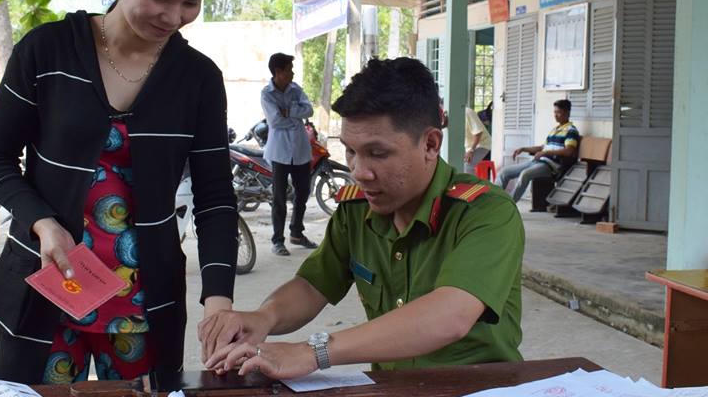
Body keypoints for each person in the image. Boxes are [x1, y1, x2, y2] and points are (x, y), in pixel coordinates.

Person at [0, 0, 238, 386]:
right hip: (45, 290)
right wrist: (43, 223)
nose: (174, 17)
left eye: (191, 3)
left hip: (142, 303)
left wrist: (218, 296)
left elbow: (215, 196)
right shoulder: (46, 51)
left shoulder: (198, 79)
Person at [198, 57, 524, 380]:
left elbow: (450, 315)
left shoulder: (485, 212)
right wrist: (263, 318)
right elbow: (313, 286)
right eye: (350, 152)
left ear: (430, 144)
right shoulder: (356, 211)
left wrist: (313, 352)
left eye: (377, 153)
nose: (359, 172)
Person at [261, 52, 317, 256]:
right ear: (278, 72)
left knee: (302, 192)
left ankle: (297, 232)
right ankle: (278, 240)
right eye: (289, 69)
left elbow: (309, 110)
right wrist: (296, 114)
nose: (292, 73)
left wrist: (289, 111)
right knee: (279, 197)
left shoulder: (296, 90)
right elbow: (275, 121)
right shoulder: (267, 94)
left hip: (300, 149)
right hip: (280, 152)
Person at [498, 100, 579, 203]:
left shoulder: (571, 130)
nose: (555, 115)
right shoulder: (555, 130)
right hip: (536, 162)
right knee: (504, 172)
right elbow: (542, 147)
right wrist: (524, 149)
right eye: (554, 112)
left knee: (525, 174)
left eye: (558, 112)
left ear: (567, 113)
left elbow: (569, 151)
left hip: (550, 166)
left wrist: (546, 153)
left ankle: (509, 205)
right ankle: (496, 201)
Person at [463, 105, 490, 174]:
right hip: (469, 147)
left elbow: (478, 133)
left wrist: (471, 150)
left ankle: (471, 184)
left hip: (483, 144)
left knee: (467, 165)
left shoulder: (467, 112)